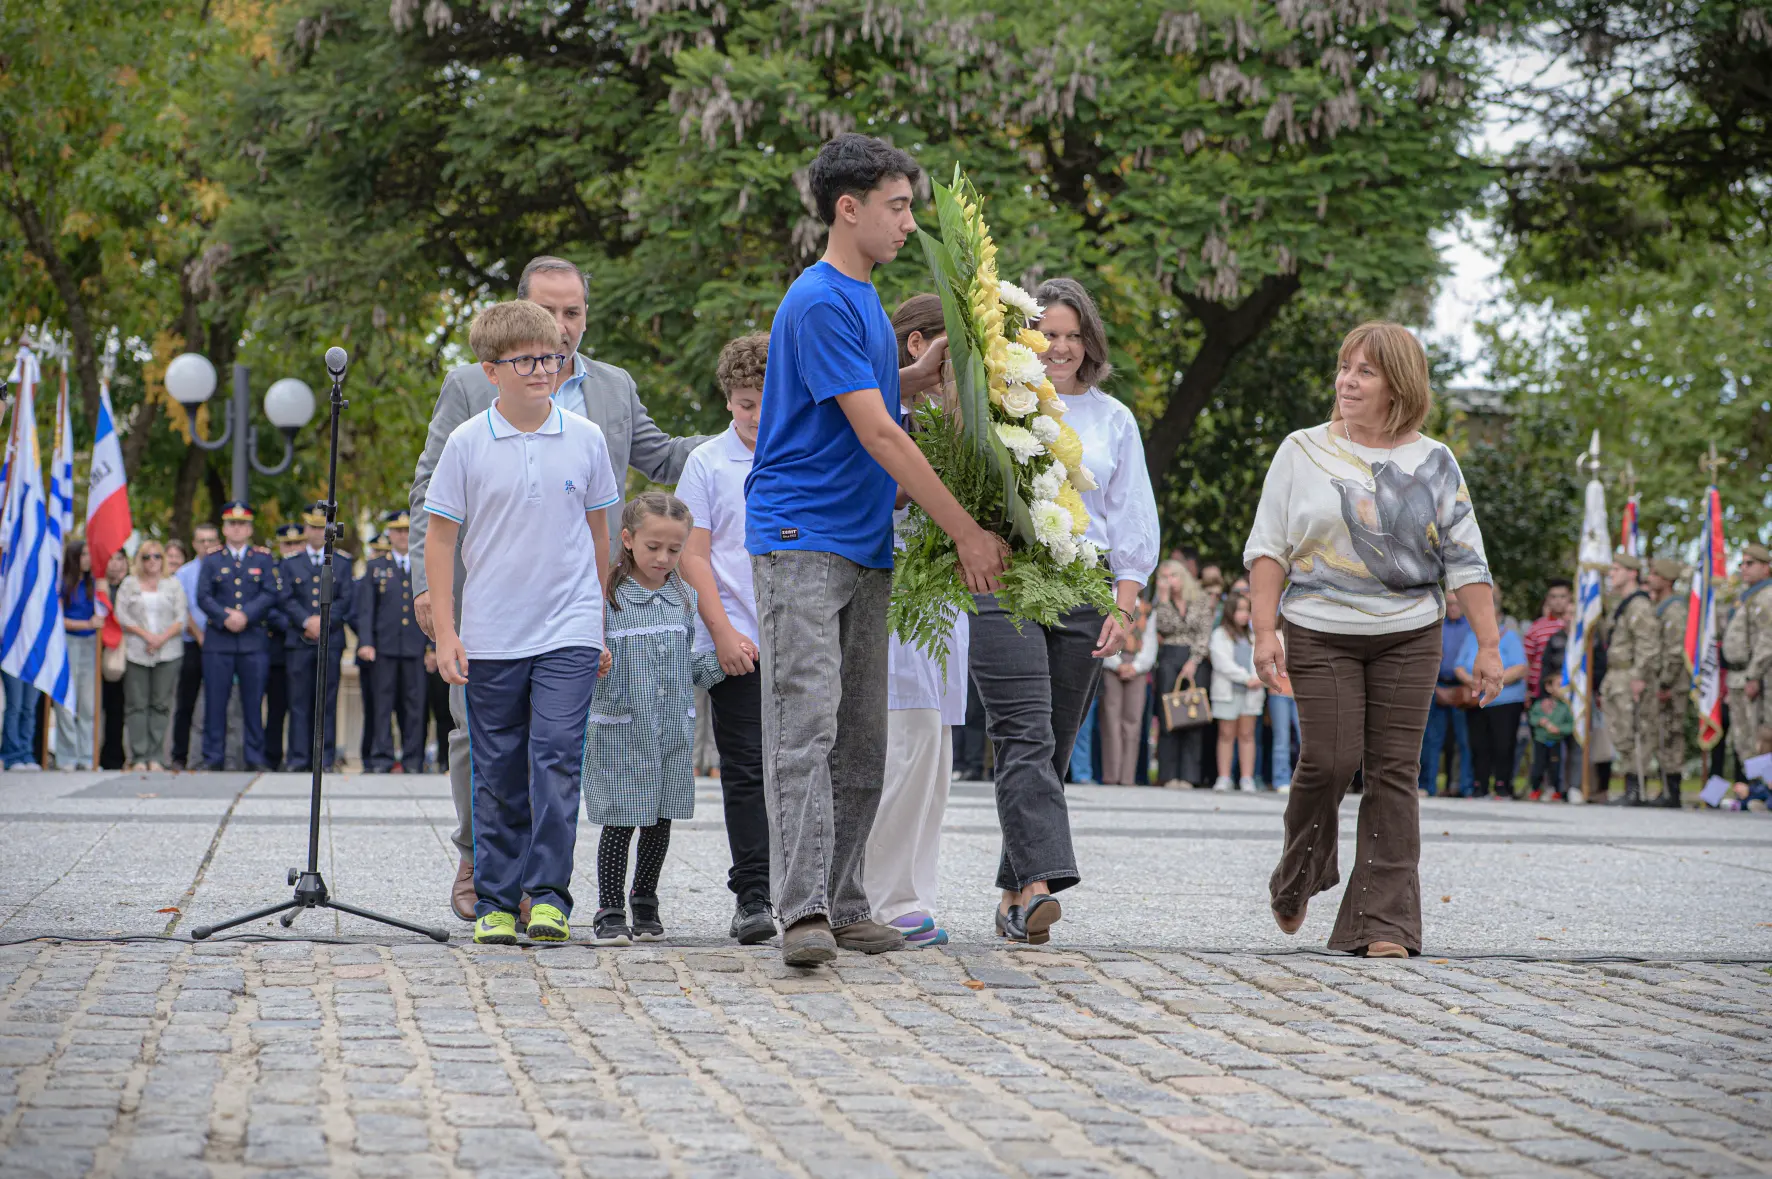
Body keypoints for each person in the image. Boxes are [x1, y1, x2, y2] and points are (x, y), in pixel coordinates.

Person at [746, 133, 1007, 965]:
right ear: (847, 208)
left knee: (862, 738)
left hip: (862, 542)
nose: (907, 223)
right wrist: (966, 529)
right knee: (807, 729)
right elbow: (879, 434)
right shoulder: (822, 298)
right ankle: (802, 913)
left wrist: (931, 375)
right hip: (801, 538)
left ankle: (849, 899)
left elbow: (872, 399)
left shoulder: (863, 297)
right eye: (896, 207)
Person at [408, 254, 706, 922]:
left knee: (556, 748)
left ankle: (544, 890)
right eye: (550, 311)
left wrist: (754, 432)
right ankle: (479, 858)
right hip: (486, 602)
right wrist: (430, 596)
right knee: (482, 742)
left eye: (573, 312)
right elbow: (430, 496)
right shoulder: (469, 386)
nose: (562, 327)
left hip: (569, 606)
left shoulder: (612, 391)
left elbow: (663, 459)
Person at [1246, 320, 1500, 958]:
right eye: (1344, 367)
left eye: (1365, 370)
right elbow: (1268, 549)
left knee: (1394, 773)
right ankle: (1299, 875)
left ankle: (1384, 925)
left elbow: (1467, 562)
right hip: (1317, 627)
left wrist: (1491, 646)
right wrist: (1264, 630)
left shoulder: (1434, 461)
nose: (1347, 381)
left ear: (1398, 384)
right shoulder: (1301, 449)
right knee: (1328, 760)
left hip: (1411, 631)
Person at [961, 275, 1154, 945]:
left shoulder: (1114, 419)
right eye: (1050, 335)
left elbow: (1131, 518)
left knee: (1055, 747)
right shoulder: (995, 404)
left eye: (1075, 336)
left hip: (1082, 586)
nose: (1063, 348)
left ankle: (1016, 895)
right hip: (1004, 579)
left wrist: (1123, 604)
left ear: (1090, 342)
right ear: (1025, 336)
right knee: (1025, 733)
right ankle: (1042, 886)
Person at [426, 298, 619, 945]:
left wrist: (598, 621)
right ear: (491, 370)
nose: (543, 368)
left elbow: (600, 537)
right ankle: (496, 900)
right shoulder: (466, 443)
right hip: (491, 633)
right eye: (527, 359)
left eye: (551, 356)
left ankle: (550, 895)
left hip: (568, 628)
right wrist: (448, 631)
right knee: (498, 767)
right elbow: (441, 540)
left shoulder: (586, 439)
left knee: (557, 758)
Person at [861, 294, 972, 949]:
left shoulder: (956, 428)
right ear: (918, 348)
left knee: (931, 754)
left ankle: (911, 889)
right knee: (900, 746)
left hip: (940, 607)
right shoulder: (883, 419)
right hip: (894, 597)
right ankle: (880, 892)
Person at [581, 493, 724, 945]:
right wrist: (594, 661)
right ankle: (608, 907)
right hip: (621, 732)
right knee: (620, 822)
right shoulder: (605, 597)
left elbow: (690, 666)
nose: (663, 558)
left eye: (674, 550)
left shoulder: (684, 598)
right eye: (653, 547)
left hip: (668, 734)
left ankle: (645, 899)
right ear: (627, 539)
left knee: (659, 822)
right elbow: (580, 660)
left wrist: (726, 659)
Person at [675, 333, 775, 945]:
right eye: (745, 403)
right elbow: (694, 554)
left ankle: (811, 887)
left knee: (810, 766)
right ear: (728, 400)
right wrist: (723, 632)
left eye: (768, 400)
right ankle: (753, 894)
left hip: (803, 634)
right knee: (745, 770)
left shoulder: (804, 450)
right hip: (737, 634)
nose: (758, 415)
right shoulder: (708, 463)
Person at [195, 504, 278, 771]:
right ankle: (213, 757)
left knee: (253, 703)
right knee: (216, 702)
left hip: (253, 640)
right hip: (219, 641)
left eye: (242, 524)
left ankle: (254, 757)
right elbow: (203, 595)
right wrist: (224, 616)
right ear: (224, 528)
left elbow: (269, 593)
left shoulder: (263, 558)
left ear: (250, 528)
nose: (237, 528)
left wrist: (245, 615)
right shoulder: (212, 559)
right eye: (232, 524)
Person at [276, 505, 353, 773]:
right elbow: (284, 598)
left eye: (322, 528)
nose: (318, 532)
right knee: (298, 702)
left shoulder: (342, 562)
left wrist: (324, 621)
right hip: (299, 640)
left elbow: (346, 600)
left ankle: (325, 758)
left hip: (329, 639)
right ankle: (298, 758)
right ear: (305, 529)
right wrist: (306, 621)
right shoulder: (290, 562)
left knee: (327, 702)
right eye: (313, 527)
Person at [357, 510, 427, 773]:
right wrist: (366, 642)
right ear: (389, 534)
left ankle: (413, 759)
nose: (402, 535)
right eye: (397, 531)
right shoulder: (376, 567)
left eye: (407, 530)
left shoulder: (424, 565)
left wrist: (432, 646)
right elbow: (367, 610)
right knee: (382, 705)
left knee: (415, 707)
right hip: (384, 648)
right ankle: (382, 757)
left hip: (415, 647)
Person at [114, 541, 187, 772]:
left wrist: (161, 638)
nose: (152, 561)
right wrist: (146, 635)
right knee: (137, 704)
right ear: (140, 560)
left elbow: (182, 617)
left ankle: (156, 755)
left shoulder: (172, 584)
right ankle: (138, 756)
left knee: (161, 704)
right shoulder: (129, 584)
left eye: (156, 556)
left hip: (168, 651)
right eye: (146, 557)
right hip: (137, 650)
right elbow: (121, 615)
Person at [1454, 583, 1528, 798]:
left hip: (1506, 701)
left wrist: (1494, 681)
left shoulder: (1509, 637)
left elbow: (1521, 667)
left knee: (1503, 745)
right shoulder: (1471, 637)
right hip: (1477, 700)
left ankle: (1503, 786)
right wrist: (1474, 681)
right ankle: (1480, 786)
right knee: (1478, 745)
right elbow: (1459, 666)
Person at [1602, 552, 1658, 806]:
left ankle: (1637, 788)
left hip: (1629, 674)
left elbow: (1648, 645)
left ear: (1632, 573)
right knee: (1620, 732)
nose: (1612, 574)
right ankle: (1630, 785)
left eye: (1616, 569)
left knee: (1634, 730)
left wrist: (1639, 676)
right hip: (1615, 674)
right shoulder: (1622, 604)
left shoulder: (1639, 606)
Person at [1150, 560, 1211, 789]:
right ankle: (1168, 774)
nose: (1169, 581)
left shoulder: (1201, 599)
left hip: (1196, 660)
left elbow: (1204, 633)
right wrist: (1164, 600)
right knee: (1168, 717)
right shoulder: (1161, 602)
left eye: (1173, 575)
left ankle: (1189, 775)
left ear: (1183, 576)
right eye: (1164, 577)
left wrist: (1193, 661)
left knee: (1193, 715)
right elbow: (1163, 627)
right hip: (1168, 657)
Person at [169, 524, 219, 769]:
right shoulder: (185, 574)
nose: (207, 545)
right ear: (195, 544)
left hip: (219, 645)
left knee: (216, 703)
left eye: (211, 540)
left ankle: (210, 757)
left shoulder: (224, 567)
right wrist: (199, 635)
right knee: (185, 703)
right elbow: (182, 609)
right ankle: (180, 756)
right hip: (192, 644)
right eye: (202, 541)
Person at [1721, 542, 1770, 785]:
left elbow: (1767, 639)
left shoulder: (1767, 596)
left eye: (1750, 563)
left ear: (1766, 568)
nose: (1744, 568)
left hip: (1756, 676)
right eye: (1742, 563)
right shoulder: (1746, 598)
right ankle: (1756, 788)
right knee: (1742, 738)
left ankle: (1765, 788)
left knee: (1759, 736)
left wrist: (1754, 676)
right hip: (1737, 675)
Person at [1208, 590, 1266, 791]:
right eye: (1240, 610)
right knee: (1226, 734)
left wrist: (1258, 679)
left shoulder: (1253, 635)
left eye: (1246, 610)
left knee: (1247, 734)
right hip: (1228, 691)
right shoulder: (1219, 635)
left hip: (1251, 692)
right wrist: (1245, 678)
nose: (1243, 614)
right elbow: (1221, 663)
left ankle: (1246, 778)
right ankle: (1223, 777)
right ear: (1230, 611)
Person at [1419, 593, 1475, 796]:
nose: (1452, 608)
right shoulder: (1436, 625)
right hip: (1436, 685)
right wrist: (1434, 687)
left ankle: (1465, 787)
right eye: (1449, 604)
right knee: (1431, 739)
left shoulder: (1471, 627)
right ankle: (1427, 785)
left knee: (1464, 740)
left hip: (1463, 688)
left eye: (1456, 604)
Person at [54, 539, 102, 770]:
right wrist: (85, 624)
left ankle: (87, 755)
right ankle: (66, 756)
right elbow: (58, 619)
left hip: (91, 644)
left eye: (89, 555)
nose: (88, 559)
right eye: (83, 555)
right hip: (68, 643)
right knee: (65, 702)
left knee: (88, 703)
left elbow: (103, 614)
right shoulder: (64, 583)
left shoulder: (95, 584)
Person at [1099, 597, 1156, 786]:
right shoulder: (1108, 603)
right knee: (1111, 719)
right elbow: (1103, 636)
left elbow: (1150, 641)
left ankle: (1127, 776)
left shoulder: (1147, 610)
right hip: (1112, 663)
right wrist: (1117, 664)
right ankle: (1111, 775)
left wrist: (1137, 666)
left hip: (1137, 666)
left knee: (1133, 721)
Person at [1648, 557, 1689, 807]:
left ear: (1666, 579)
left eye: (1654, 574)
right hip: (1662, 681)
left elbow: (1675, 651)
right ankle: (1665, 786)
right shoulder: (1661, 605)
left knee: (1671, 733)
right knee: (1662, 732)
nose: (1650, 577)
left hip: (1673, 684)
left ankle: (1672, 790)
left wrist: (1665, 683)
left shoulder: (1674, 609)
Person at [265, 522, 306, 770]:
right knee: (277, 707)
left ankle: (300, 755)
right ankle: (272, 757)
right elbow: (269, 606)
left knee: (302, 706)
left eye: (296, 543)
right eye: (287, 544)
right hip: (279, 649)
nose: (292, 548)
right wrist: (292, 625)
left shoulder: (306, 567)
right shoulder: (274, 571)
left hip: (302, 646)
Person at [98, 548, 129, 770]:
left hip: (125, 652)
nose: (116, 564)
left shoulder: (131, 587)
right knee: (96, 705)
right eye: (110, 559)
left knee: (119, 707)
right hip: (98, 650)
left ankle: (114, 756)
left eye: (120, 559)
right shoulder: (97, 588)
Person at [1522, 579, 1572, 700]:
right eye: (1553, 597)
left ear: (1570, 597)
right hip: (1542, 692)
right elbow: (1527, 661)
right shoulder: (1535, 628)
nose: (1558, 601)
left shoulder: (1577, 626)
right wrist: (1527, 691)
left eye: (1562, 596)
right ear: (1548, 599)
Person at [1527, 690, 1574, 801]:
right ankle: (1535, 789)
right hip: (1540, 741)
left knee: (1555, 768)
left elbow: (1570, 725)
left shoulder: (1564, 708)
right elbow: (1531, 718)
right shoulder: (1538, 706)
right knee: (1538, 766)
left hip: (1555, 742)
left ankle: (1556, 791)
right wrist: (1540, 721)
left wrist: (1560, 729)